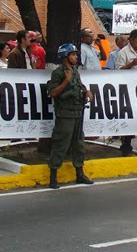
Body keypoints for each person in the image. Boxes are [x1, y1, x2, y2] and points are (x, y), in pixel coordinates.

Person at [46, 43, 94, 189]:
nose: (76, 57)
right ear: (66, 57)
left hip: (77, 112)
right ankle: (53, 176)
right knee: (61, 144)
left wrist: (86, 91)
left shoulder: (75, 71)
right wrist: (66, 81)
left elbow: (78, 86)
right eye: (73, 54)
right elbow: (52, 93)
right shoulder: (59, 73)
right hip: (65, 114)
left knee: (79, 145)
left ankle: (79, 173)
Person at [116, 29, 137, 155]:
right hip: (128, 91)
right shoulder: (123, 53)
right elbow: (118, 71)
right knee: (129, 118)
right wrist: (131, 64)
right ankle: (126, 146)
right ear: (131, 39)